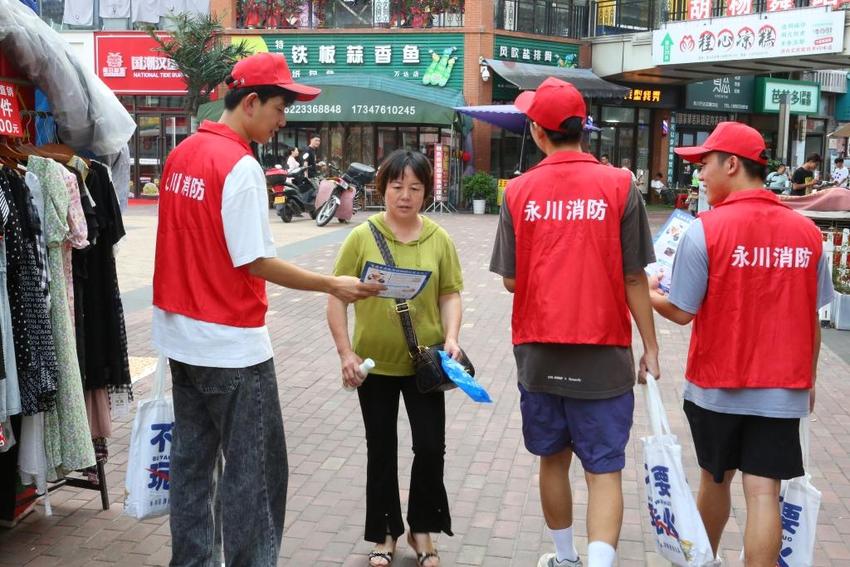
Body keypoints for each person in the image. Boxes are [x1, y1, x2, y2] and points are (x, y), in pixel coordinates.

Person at [152, 52, 384, 566]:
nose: (284, 120)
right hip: (232, 345)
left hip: (180, 338)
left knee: (192, 467)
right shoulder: (239, 165)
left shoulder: (182, 154)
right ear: (251, 101)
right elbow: (256, 262)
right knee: (255, 476)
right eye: (280, 107)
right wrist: (332, 284)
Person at [489, 77, 660, 567]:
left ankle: (564, 559)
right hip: (605, 353)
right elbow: (633, 278)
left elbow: (511, 282)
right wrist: (650, 347)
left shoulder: (519, 192)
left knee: (552, 459)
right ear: (582, 129)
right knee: (604, 470)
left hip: (540, 352)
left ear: (539, 133)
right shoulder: (620, 185)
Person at [648, 121, 834, 566]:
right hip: (781, 390)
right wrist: (808, 380)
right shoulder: (808, 234)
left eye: (706, 164)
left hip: (716, 386)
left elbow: (681, 311)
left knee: (714, 482)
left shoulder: (706, 230)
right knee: (764, 492)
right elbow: (813, 318)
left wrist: (646, 292)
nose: (701, 175)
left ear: (732, 164)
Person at [327, 149, 464, 567]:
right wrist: (345, 353)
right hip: (375, 366)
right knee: (380, 448)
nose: (405, 195)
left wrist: (453, 337)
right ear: (383, 187)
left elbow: (450, 293)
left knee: (429, 446)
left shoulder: (438, 238)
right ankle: (385, 532)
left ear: (426, 190)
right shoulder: (362, 237)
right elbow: (336, 296)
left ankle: (421, 528)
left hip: (424, 364)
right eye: (397, 186)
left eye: (415, 187)